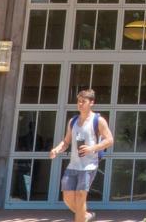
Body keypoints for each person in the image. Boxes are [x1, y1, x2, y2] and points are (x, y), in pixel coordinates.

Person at [50, 88, 114, 222]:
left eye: (83, 101)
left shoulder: (98, 120)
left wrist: (92, 148)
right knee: (67, 197)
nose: (79, 104)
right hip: (73, 165)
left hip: (89, 166)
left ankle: (81, 217)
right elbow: (66, 141)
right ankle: (86, 216)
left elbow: (110, 140)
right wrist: (56, 149)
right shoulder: (73, 121)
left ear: (91, 102)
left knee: (80, 197)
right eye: (78, 101)